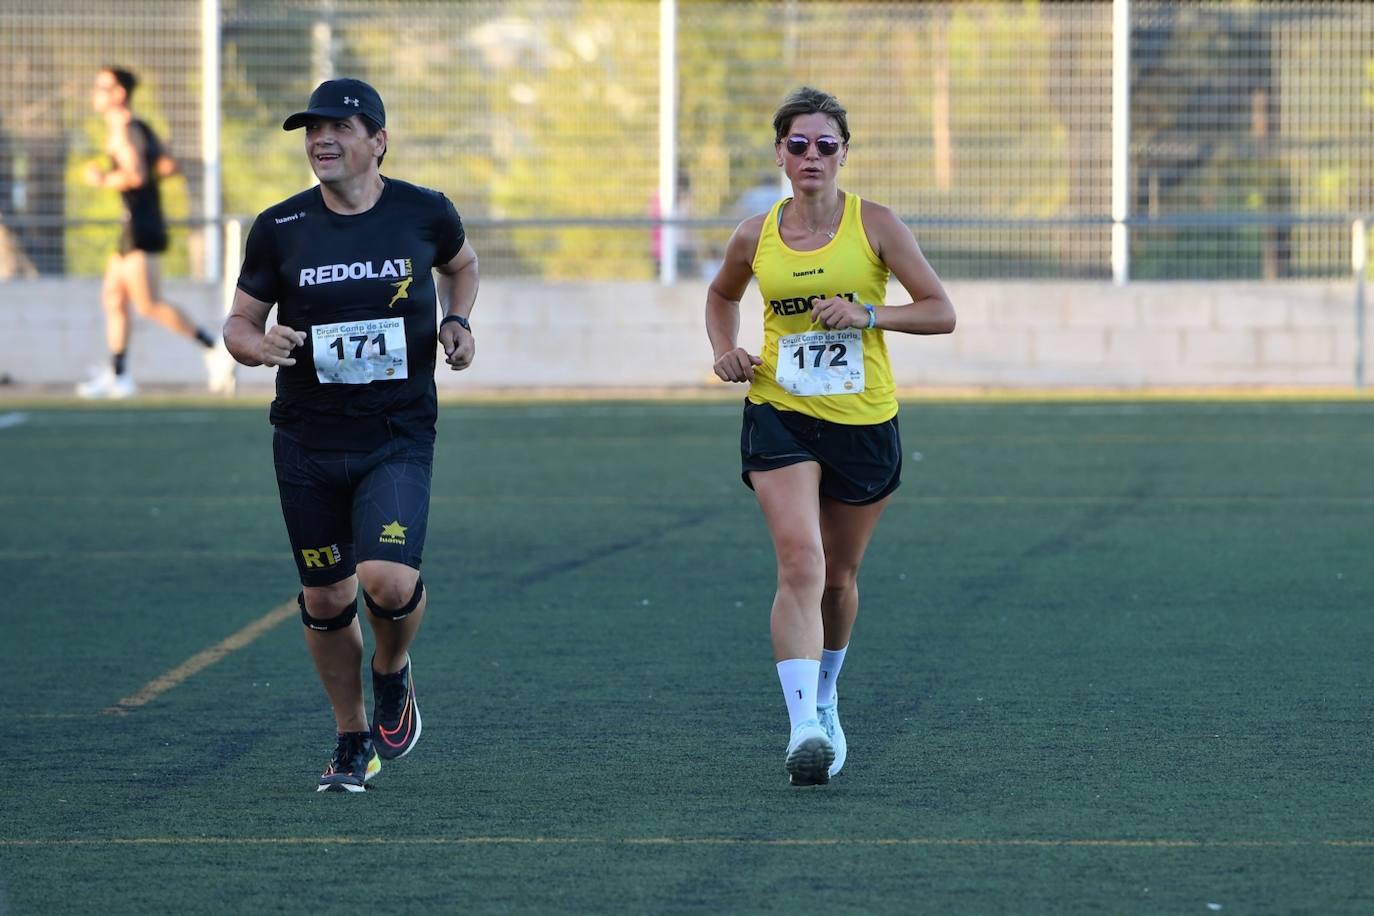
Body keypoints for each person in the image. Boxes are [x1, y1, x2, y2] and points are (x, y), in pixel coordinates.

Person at [223, 78, 479, 793]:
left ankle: (392, 669)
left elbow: (461, 265)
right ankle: (351, 738)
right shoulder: (280, 227)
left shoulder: (425, 212)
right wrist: (253, 346)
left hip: (396, 431)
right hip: (306, 439)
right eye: (311, 130)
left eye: (338, 126)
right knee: (328, 598)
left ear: (379, 140)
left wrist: (458, 323)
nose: (321, 140)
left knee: (387, 579)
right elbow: (238, 323)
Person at [705, 87, 956, 787]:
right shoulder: (755, 234)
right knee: (801, 565)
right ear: (780, 153)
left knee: (840, 578)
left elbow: (941, 312)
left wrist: (869, 315)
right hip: (779, 408)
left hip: (863, 419)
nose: (811, 155)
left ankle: (826, 694)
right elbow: (722, 294)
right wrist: (725, 348)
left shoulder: (874, 224)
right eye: (798, 144)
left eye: (825, 144)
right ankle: (802, 729)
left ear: (844, 152)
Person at [77, 66, 221, 399]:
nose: (95, 92)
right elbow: (168, 165)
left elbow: (138, 176)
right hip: (136, 221)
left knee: (148, 303)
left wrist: (102, 179)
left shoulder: (126, 130)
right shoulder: (138, 127)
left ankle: (214, 348)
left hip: (141, 224)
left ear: (119, 93)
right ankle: (118, 374)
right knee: (114, 297)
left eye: (102, 86)